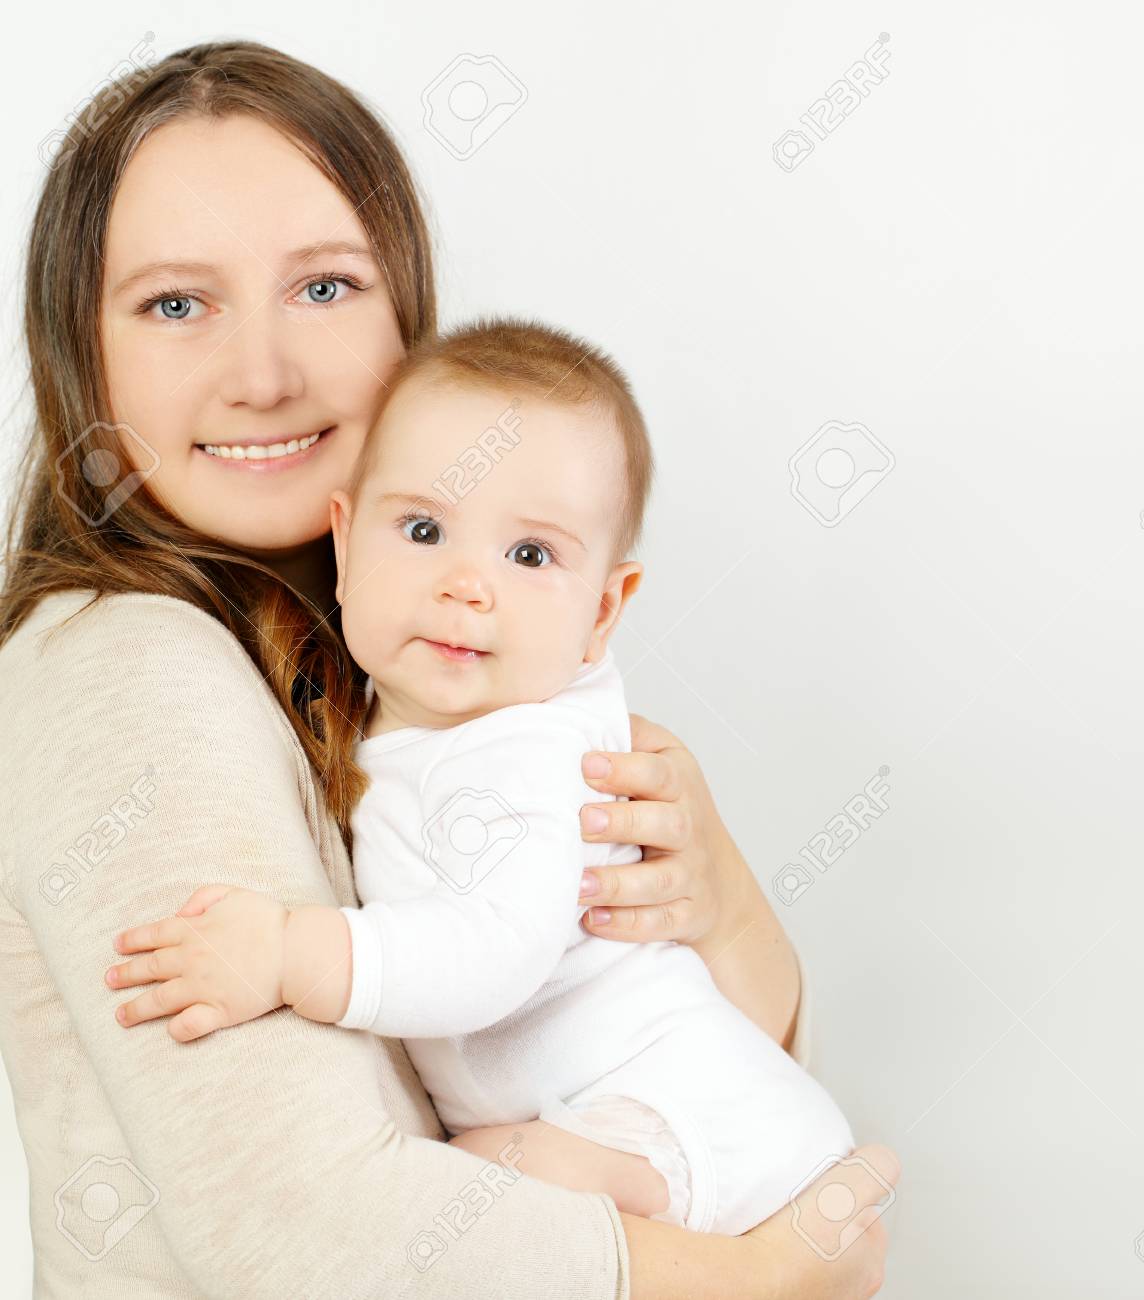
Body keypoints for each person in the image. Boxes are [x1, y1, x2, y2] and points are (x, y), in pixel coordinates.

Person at [0, 40, 896, 1297]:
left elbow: (660, 1049)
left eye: (323, 288)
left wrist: (725, 899)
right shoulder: (130, 665)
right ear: (76, 355)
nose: (262, 376)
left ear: (408, 314)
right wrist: (765, 1277)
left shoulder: (405, 663)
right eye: (174, 303)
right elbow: (308, 1230)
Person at [106, 317, 858, 1237]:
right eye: (423, 529)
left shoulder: (537, 754)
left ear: (603, 612)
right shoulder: (399, 720)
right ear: (345, 546)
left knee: (467, 1197)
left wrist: (286, 954)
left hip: (693, 1120)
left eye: (531, 555)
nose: (468, 584)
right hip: (620, 1114)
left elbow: (491, 951)